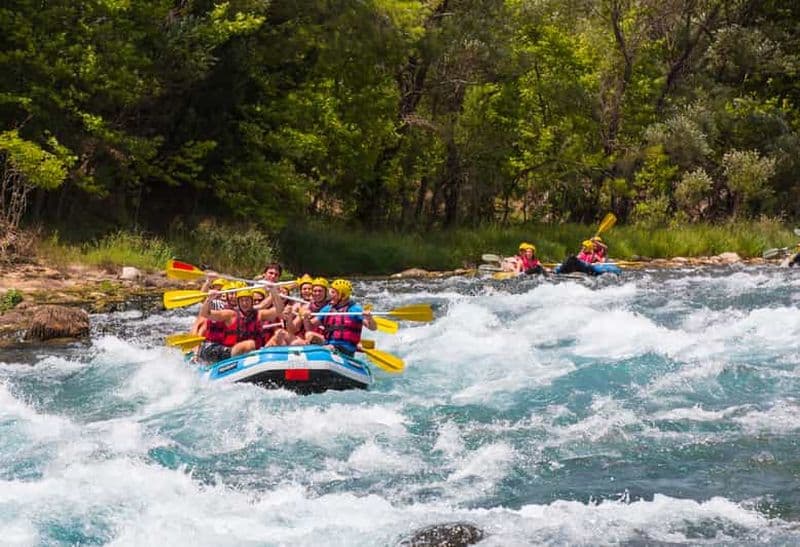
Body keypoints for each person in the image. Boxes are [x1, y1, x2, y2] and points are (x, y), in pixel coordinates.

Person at [196, 286, 284, 363]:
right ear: (238, 302)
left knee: (277, 337)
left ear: (252, 301)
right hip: (223, 351)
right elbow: (205, 314)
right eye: (242, 300)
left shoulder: (259, 314)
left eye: (247, 300)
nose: (245, 303)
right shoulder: (231, 315)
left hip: (244, 352)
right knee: (249, 344)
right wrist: (209, 299)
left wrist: (273, 291)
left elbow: (279, 310)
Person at [318, 279, 376, 356]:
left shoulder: (355, 309)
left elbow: (373, 328)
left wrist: (369, 318)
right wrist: (304, 316)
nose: (330, 295)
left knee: (329, 348)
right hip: (329, 344)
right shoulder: (328, 308)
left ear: (342, 295)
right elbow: (312, 323)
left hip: (346, 348)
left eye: (333, 292)